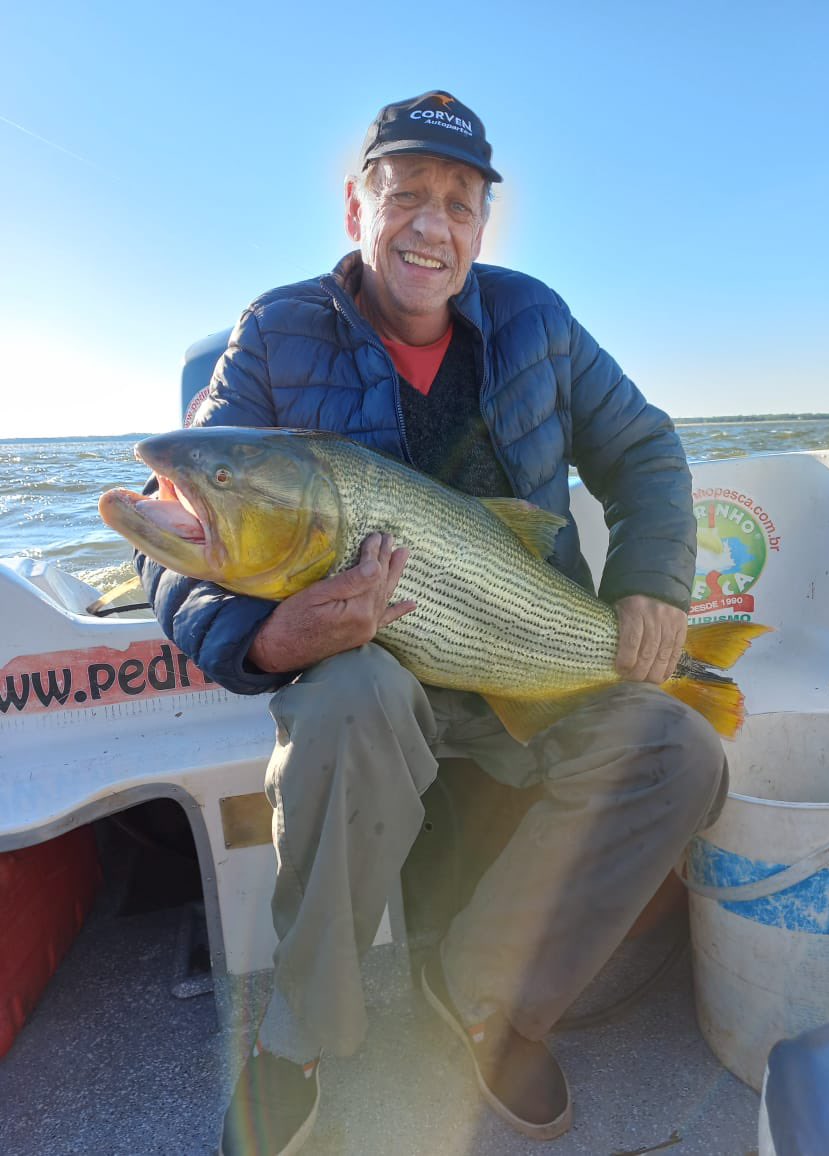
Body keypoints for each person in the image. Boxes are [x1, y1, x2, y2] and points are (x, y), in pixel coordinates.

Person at [137, 90, 728, 1156]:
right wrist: (268, 642)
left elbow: (645, 452)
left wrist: (653, 584)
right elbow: (170, 549)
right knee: (350, 703)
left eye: (458, 201)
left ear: (483, 226)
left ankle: (482, 995)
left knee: (682, 749)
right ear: (354, 206)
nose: (431, 223)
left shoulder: (537, 319)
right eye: (404, 192)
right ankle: (299, 1038)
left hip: (524, 654)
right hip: (367, 676)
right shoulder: (275, 333)